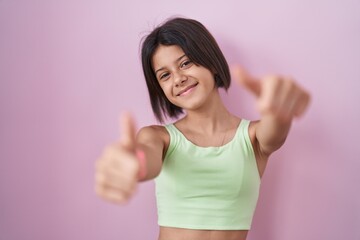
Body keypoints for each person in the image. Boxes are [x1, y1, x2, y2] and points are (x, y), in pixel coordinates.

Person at [95, 17, 310, 240]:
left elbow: (275, 129)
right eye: (165, 75)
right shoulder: (159, 138)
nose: (178, 79)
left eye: (185, 63)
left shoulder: (253, 137)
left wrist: (280, 111)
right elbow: (144, 158)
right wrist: (131, 164)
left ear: (212, 63)